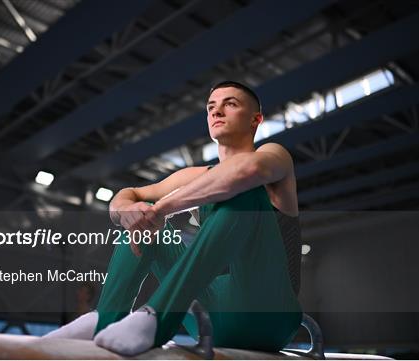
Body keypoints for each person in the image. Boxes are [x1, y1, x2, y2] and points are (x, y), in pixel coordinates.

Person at [44, 81, 303, 356]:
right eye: (211, 107)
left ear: (256, 119)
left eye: (230, 104)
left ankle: (158, 318)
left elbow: (246, 172)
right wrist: (128, 212)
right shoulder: (194, 175)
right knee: (143, 221)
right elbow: (127, 195)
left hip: (269, 311)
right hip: (213, 316)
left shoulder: (276, 156)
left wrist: (161, 209)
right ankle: (105, 319)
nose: (217, 112)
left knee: (242, 195)